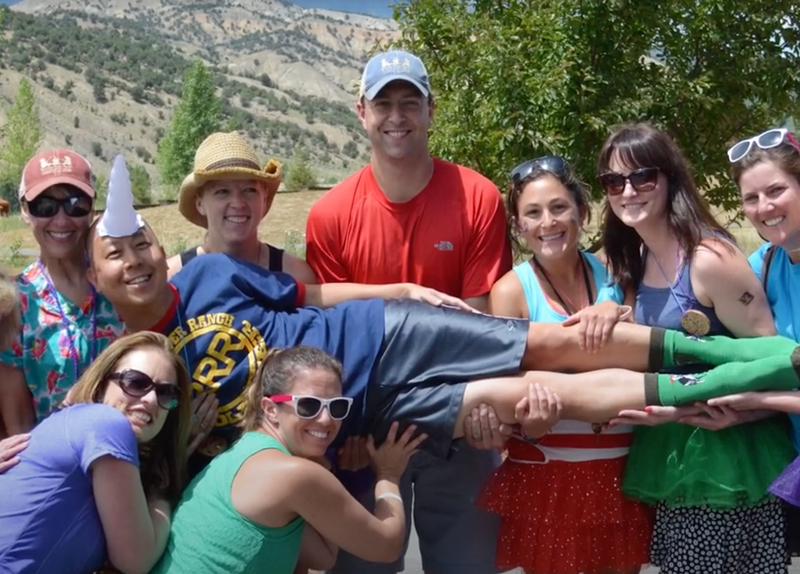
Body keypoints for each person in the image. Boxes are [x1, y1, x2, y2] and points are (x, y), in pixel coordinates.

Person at [84, 154, 800, 470]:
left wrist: (401, 290)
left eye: (140, 242)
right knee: (532, 396)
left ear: (160, 242)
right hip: (365, 410)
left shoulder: (209, 271)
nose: (137, 260)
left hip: (385, 332)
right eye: (116, 255)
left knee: (546, 346)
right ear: (98, 275)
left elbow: (315, 296)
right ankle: (721, 379)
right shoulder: (140, 373)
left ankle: (748, 357)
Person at [306, 48, 510, 574]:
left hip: (459, 427)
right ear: (361, 111)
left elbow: (479, 324)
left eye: (409, 103)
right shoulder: (330, 215)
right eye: (383, 104)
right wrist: (344, 432)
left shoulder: (478, 197)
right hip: (365, 436)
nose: (396, 117)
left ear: (430, 110)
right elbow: (330, 342)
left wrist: (486, 410)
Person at [598, 123, 795, 574]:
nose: (628, 191)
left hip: (727, 459)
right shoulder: (635, 258)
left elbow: (774, 359)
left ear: (669, 179)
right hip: (673, 453)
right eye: (613, 181)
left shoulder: (708, 258)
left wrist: (740, 410)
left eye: (642, 177)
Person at [477, 156, 653, 574]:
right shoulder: (510, 292)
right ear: (519, 227)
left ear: (582, 212)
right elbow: (506, 394)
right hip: (551, 477)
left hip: (619, 472)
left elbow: (641, 361)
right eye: (532, 213)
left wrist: (615, 314)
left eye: (558, 207)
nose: (547, 222)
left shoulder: (616, 276)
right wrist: (529, 422)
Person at [153, 345, 424, 574]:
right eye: (309, 405)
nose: (327, 419)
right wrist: (388, 476)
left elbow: (322, 557)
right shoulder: (293, 475)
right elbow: (386, 547)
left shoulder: (245, 452)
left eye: (337, 406)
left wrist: (323, 467)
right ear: (271, 409)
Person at [0, 330, 192, 574]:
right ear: (102, 384)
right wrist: (164, 493)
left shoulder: (79, 428)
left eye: (166, 392)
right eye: (136, 382)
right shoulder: (106, 423)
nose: (152, 399)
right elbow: (136, 560)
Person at [0, 149, 125, 436]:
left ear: (92, 208)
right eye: (44, 206)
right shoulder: (13, 303)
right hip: (55, 467)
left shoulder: (121, 280)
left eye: (75, 204)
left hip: (133, 457)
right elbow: (20, 427)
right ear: (23, 210)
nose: (61, 220)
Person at [716, 127, 800, 554]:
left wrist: (758, 404)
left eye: (776, 191)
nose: (764, 208)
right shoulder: (763, 265)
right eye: (751, 198)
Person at [166, 132, 316, 283]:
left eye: (249, 190)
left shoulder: (295, 276)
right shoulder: (172, 280)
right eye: (222, 192)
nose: (238, 203)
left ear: (263, 197)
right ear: (200, 204)